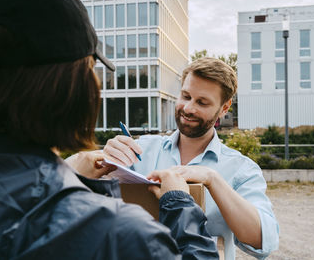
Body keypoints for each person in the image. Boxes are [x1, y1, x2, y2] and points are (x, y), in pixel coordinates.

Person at [0, 0, 219, 259]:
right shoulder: (120, 235)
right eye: (91, 69)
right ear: (72, 90)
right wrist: (180, 204)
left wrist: (67, 174)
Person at [98, 57, 280, 259]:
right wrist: (106, 164)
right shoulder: (140, 150)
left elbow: (263, 242)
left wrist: (213, 179)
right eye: (185, 96)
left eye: (202, 102)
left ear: (225, 108)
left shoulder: (241, 169)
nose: (188, 108)